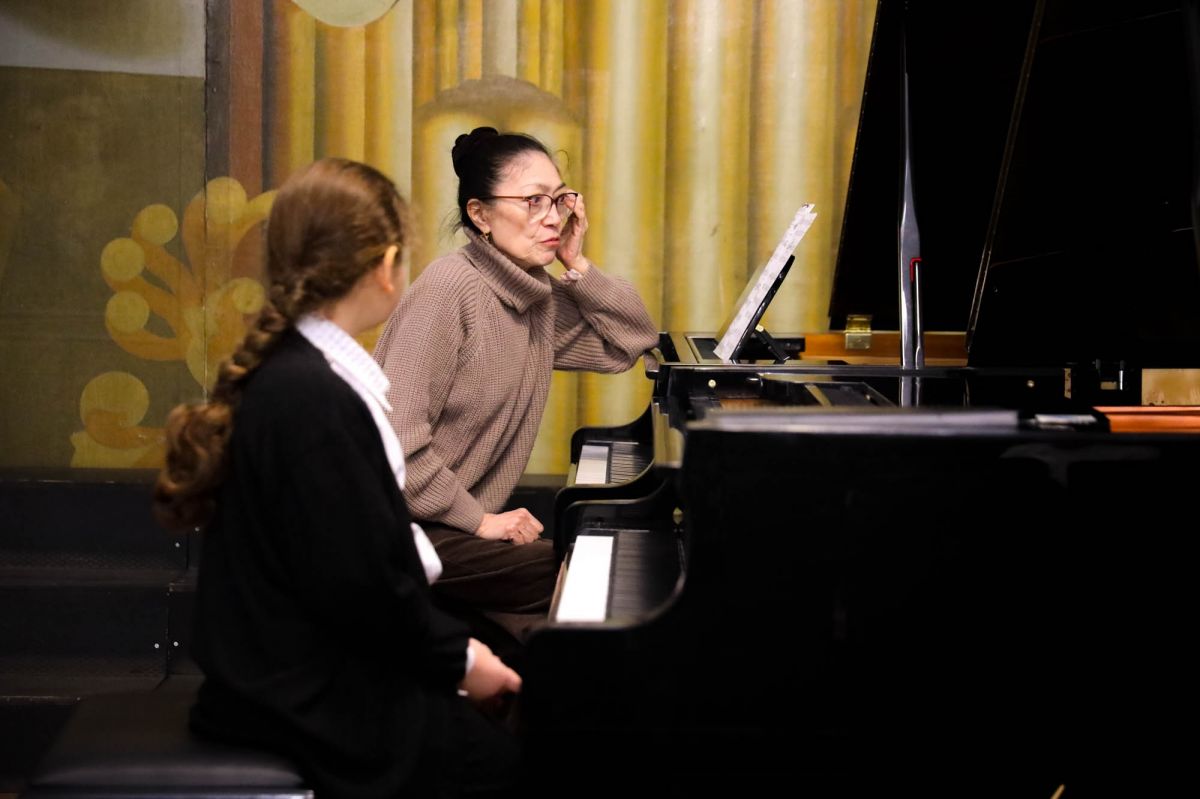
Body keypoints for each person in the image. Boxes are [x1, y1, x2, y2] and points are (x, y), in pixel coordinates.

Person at [154, 157, 522, 798]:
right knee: (516, 766)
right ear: (386, 266)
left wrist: (459, 652)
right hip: (299, 697)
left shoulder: (295, 371)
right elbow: (361, 587)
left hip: (288, 669)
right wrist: (461, 661)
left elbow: (358, 577)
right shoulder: (313, 398)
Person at [373, 127, 658, 642]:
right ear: (480, 215)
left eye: (559, 199)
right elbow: (393, 444)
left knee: (585, 581)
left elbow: (631, 342)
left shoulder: (534, 298)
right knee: (583, 579)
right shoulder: (449, 288)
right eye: (533, 201)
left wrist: (577, 264)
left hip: (449, 524)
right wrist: (480, 521)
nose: (552, 217)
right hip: (395, 528)